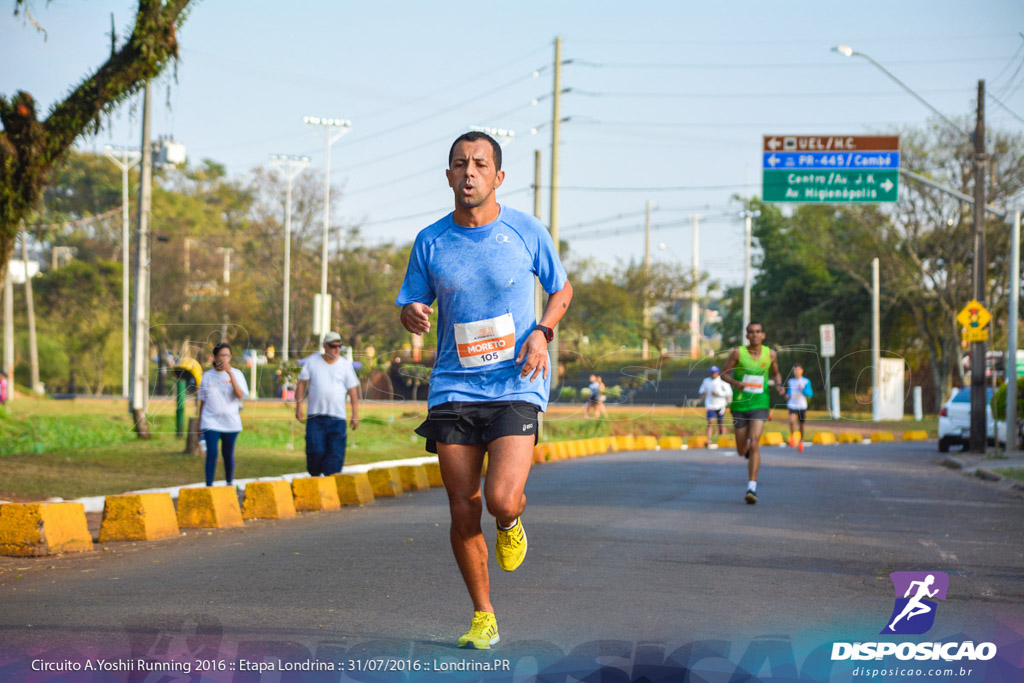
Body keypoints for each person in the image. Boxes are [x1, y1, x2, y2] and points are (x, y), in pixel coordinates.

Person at [396, 131, 572, 649]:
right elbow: (412, 302)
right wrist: (410, 312)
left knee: (500, 498)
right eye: (459, 164)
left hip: (516, 382)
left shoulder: (524, 230)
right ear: (448, 175)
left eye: (479, 164)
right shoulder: (431, 240)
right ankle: (483, 614)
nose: (468, 172)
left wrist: (542, 331)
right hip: (453, 386)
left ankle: (512, 521)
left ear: (498, 177)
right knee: (462, 506)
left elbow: (561, 288)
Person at [720, 322, 784, 504]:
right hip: (740, 405)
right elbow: (724, 374)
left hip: (760, 403)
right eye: (751, 332)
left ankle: (752, 488)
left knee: (755, 442)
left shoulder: (770, 354)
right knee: (742, 450)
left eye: (758, 332)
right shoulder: (738, 353)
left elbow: (776, 374)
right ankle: (746, 449)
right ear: (747, 336)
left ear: (763, 335)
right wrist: (736, 383)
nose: (755, 335)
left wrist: (779, 385)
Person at [294, 331, 360, 476]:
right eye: (333, 346)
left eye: (339, 346)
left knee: (335, 455)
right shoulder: (312, 361)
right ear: (325, 346)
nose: (336, 350)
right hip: (315, 417)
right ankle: (315, 478)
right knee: (315, 451)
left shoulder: (345, 365)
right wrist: (299, 407)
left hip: (337, 418)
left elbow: (353, 391)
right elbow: (301, 384)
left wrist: (355, 415)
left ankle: (331, 482)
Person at [197, 343, 249, 488]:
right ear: (215, 357)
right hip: (210, 421)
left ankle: (229, 482)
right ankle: (209, 485)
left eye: (227, 355)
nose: (224, 358)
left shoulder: (237, 374)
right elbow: (202, 401)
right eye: (221, 355)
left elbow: (240, 395)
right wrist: (199, 423)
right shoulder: (207, 376)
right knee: (212, 454)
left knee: (228, 454)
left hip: (230, 422)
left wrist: (230, 374)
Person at [697, 366, 732, 446]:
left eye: (715, 372)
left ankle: (722, 438)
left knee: (720, 423)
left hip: (720, 405)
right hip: (710, 405)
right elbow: (701, 391)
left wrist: (719, 394)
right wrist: (703, 393)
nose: (713, 374)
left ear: (718, 373)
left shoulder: (722, 382)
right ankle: (709, 440)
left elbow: (729, 393)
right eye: (712, 373)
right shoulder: (706, 381)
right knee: (710, 422)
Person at [786, 364, 813, 451]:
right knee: (792, 420)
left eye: (798, 370)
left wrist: (803, 389)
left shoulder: (806, 381)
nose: (796, 371)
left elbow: (810, 394)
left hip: (802, 405)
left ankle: (801, 441)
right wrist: (787, 394)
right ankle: (792, 438)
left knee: (801, 425)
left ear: (802, 371)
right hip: (792, 405)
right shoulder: (791, 381)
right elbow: (789, 391)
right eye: (795, 370)